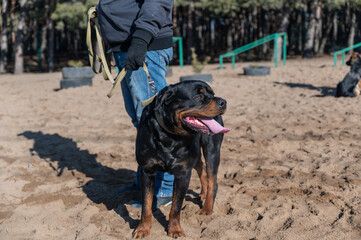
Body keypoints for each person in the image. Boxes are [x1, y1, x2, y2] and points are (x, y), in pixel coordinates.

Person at [97, 0, 175, 208]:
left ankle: (164, 187)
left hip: (145, 47)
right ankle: (145, 181)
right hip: (128, 47)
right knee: (141, 121)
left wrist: (140, 39)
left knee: (156, 124)